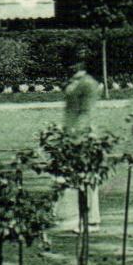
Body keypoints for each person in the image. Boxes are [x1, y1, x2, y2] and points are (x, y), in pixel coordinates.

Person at [56, 57, 104, 232]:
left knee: (86, 175)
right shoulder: (75, 82)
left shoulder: (88, 83)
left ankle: (90, 219)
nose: (71, 66)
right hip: (71, 131)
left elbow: (87, 111)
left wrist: (80, 133)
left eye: (75, 62)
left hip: (81, 133)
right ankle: (73, 215)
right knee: (71, 175)